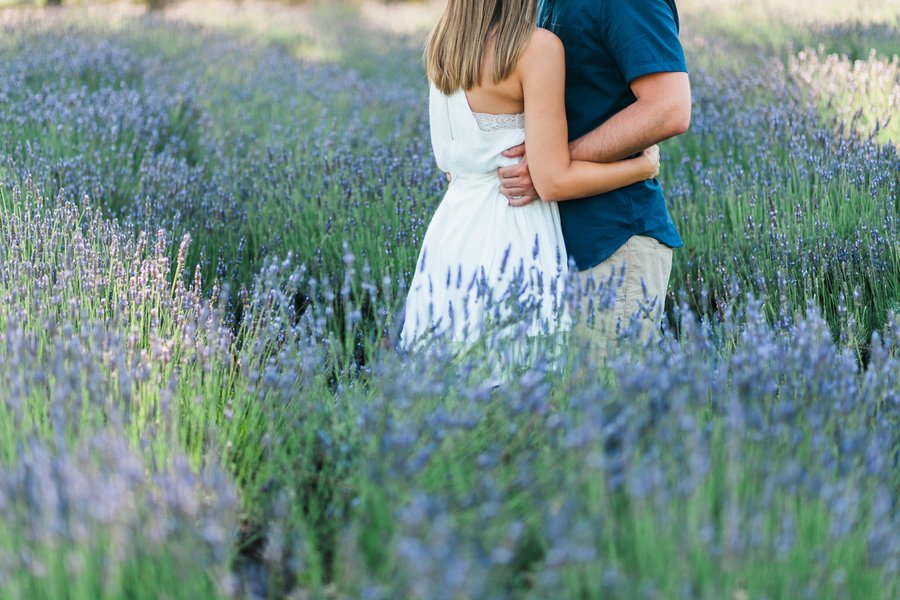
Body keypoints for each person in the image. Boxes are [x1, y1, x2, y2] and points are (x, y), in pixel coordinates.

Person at [400, 0, 661, 359]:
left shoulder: (442, 46)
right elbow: (552, 180)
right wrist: (640, 167)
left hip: (450, 242)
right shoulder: (535, 48)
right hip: (512, 235)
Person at [498, 0, 692, 358]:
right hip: (551, 246)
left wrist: (553, 161)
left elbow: (670, 108)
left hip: (613, 245)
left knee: (607, 405)